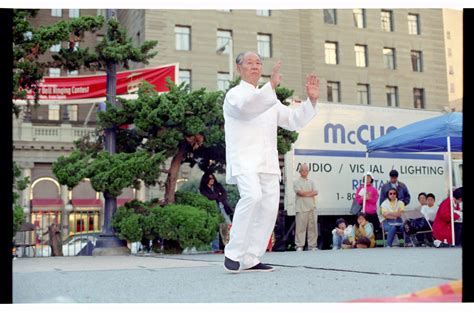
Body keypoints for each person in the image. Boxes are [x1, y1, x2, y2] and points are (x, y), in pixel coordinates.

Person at [222, 51, 320, 273]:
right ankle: (234, 252)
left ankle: (251, 258)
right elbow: (247, 109)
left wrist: (311, 101)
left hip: (267, 162)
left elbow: (293, 120)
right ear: (239, 68)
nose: (255, 66)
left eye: (258, 62)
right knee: (252, 196)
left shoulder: (270, 100)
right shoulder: (234, 95)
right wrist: (271, 87)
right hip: (245, 160)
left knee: (268, 208)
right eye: (249, 62)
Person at [293, 163, 319, 252]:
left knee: (313, 227)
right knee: (300, 228)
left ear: (308, 171)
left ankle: (312, 246)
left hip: (312, 207)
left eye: (306, 170)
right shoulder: (296, 182)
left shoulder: (311, 181)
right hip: (301, 208)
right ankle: (299, 246)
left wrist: (305, 193)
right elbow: (299, 193)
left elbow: (316, 192)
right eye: (303, 170)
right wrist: (309, 193)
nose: (304, 172)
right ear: (299, 171)